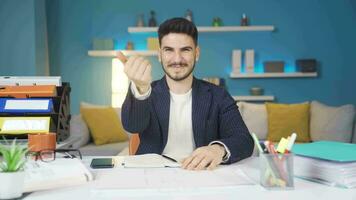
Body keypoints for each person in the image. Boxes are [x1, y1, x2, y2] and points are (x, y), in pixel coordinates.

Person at [121, 17, 253, 170]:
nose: (177, 59)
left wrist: (217, 149)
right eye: (169, 50)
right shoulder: (145, 91)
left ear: (196, 53)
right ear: (159, 54)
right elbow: (132, 126)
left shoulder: (219, 96)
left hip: (202, 174)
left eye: (185, 50)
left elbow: (244, 140)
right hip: (152, 176)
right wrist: (141, 90)